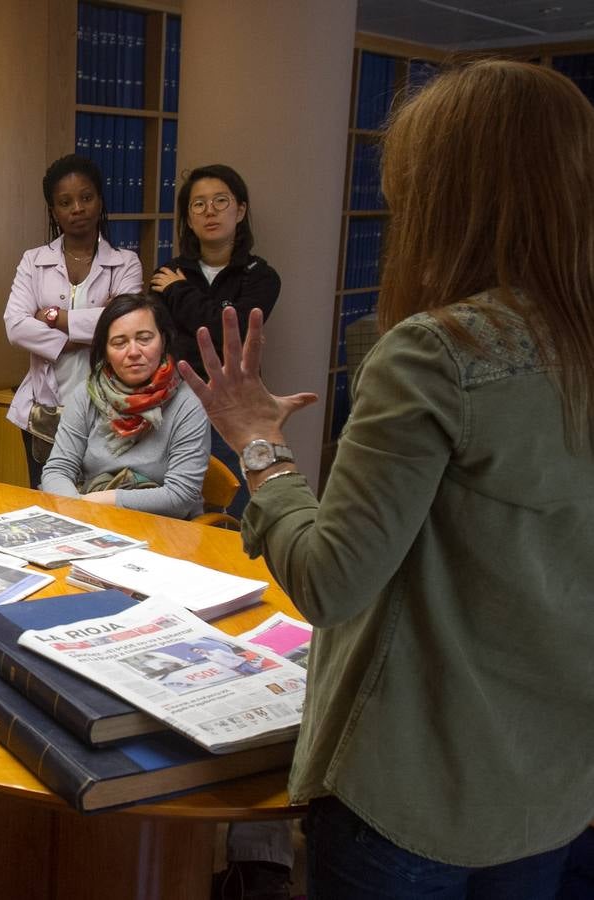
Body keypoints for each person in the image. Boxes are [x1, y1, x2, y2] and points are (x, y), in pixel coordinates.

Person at [181, 60, 594, 897]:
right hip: (555, 785)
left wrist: (258, 445)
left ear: (440, 196)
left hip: (414, 788)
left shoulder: (438, 353)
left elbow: (331, 580)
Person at [5, 154, 143, 487]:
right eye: (65, 202)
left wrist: (54, 318)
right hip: (43, 414)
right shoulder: (33, 261)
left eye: (86, 197)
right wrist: (92, 328)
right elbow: (15, 325)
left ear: (99, 200)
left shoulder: (125, 263)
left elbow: (126, 328)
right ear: (54, 211)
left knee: (100, 504)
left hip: (106, 412)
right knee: (47, 505)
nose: (77, 208)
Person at [150, 164, 280, 515]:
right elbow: (158, 341)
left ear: (240, 211)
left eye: (220, 201)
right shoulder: (166, 271)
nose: (209, 211)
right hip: (173, 405)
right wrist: (211, 315)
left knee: (235, 512)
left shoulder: (261, 277)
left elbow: (230, 334)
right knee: (174, 509)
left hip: (235, 410)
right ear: (188, 219)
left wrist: (178, 293)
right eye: (198, 204)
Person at [40, 292, 209, 519]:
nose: (133, 352)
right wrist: (75, 510)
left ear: (164, 340)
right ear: (105, 352)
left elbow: (181, 496)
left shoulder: (188, 404)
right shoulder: (87, 395)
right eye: (119, 343)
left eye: (144, 338)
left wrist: (100, 501)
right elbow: (58, 469)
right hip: (91, 518)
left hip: (165, 527)